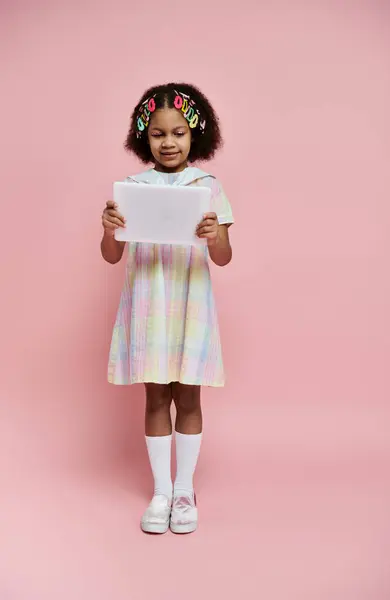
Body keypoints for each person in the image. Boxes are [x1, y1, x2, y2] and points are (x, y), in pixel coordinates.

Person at [101, 82, 234, 534]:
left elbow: (223, 256)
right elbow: (111, 255)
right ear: (144, 136)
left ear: (196, 134)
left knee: (189, 395)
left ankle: (183, 490)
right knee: (156, 395)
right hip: (149, 306)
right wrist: (108, 228)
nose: (169, 142)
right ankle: (160, 492)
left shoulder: (208, 187)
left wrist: (215, 232)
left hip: (190, 303)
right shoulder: (132, 187)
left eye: (178, 132)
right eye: (158, 134)